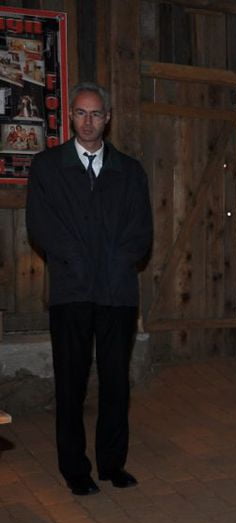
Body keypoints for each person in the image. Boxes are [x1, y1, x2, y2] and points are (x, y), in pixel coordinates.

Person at [26, 82, 153, 496]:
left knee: (116, 382)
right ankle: (74, 469)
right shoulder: (48, 167)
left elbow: (141, 231)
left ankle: (112, 464)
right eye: (81, 113)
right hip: (72, 291)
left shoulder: (129, 171)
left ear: (107, 118)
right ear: (70, 117)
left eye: (96, 114)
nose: (88, 121)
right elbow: (41, 226)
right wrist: (77, 260)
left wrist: (117, 262)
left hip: (117, 293)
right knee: (71, 384)